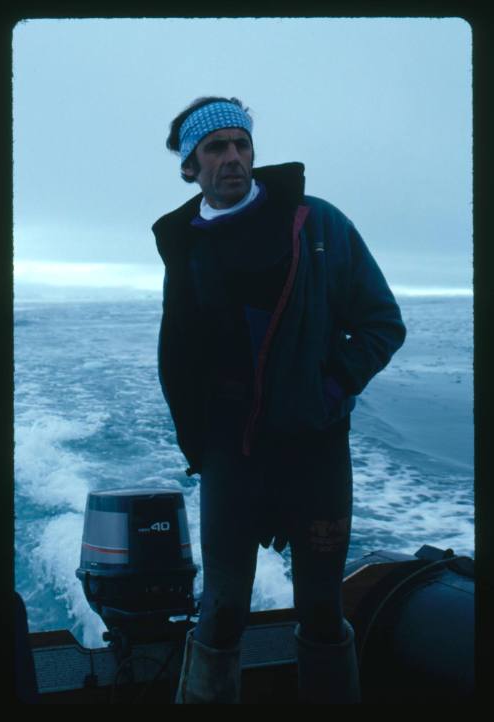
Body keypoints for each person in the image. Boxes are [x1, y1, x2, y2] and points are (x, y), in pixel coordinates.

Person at [152, 96, 406, 704]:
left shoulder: (317, 224)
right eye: (216, 148)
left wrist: (330, 388)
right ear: (191, 166)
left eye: (241, 144)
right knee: (221, 610)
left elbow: (381, 322)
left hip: (313, 448)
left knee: (321, 607)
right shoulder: (184, 243)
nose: (233, 157)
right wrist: (199, 441)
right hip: (230, 456)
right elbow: (182, 352)